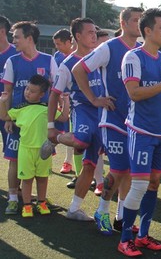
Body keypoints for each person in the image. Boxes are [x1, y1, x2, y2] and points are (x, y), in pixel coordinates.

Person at [117, 8, 161, 256]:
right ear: (147, 31)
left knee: (155, 183)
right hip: (141, 130)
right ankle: (126, 237)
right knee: (139, 185)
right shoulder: (133, 58)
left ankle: (144, 235)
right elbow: (134, 93)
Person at [73, 7, 143, 232]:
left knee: (130, 171)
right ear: (123, 24)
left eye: (141, 20)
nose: (138, 24)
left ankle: (121, 217)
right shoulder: (109, 47)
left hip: (134, 121)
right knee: (118, 170)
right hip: (112, 119)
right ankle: (102, 211)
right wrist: (94, 99)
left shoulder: (141, 50)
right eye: (134, 20)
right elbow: (79, 69)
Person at [41, 18, 107, 225]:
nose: (93, 35)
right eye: (89, 32)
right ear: (77, 36)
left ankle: (74, 209)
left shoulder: (101, 57)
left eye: (94, 32)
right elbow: (54, 95)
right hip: (84, 111)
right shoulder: (68, 64)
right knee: (80, 141)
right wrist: (52, 128)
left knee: (90, 165)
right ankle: (57, 139)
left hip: (104, 113)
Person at [1, 21, 57, 215]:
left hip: (41, 124)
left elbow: (56, 92)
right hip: (18, 120)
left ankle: (38, 199)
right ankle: (14, 198)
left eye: (16, 37)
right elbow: (7, 92)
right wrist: (8, 119)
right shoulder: (13, 61)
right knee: (14, 159)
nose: (13, 40)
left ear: (29, 38)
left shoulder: (49, 60)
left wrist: (53, 121)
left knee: (41, 160)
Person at [0, 75, 68, 217]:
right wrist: (2, 102)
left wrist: (65, 100)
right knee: (27, 179)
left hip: (44, 149)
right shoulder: (20, 108)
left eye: (32, 91)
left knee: (42, 178)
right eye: (27, 89)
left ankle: (41, 202)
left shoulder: (46, 108)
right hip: (25, 150)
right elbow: (5, 117)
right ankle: (27, 205)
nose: (27, 92)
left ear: (42, 94)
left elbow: (63, 117)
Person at [52, 28, 75, 175]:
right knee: (64, 129)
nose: (57, 47)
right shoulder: (57, 57)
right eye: (55, 44)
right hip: (63, 100)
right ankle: (65, 161)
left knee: (74, 132)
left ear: (69, 42)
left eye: (59, 44)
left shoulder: (79, 56)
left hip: (78, 102)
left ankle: (70, 162)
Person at [0, 16, 18, 172]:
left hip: (9, 112)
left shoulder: (16, 55)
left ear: (2, 32)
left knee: (12, 150)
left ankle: (16, 189)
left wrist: (10, 114)